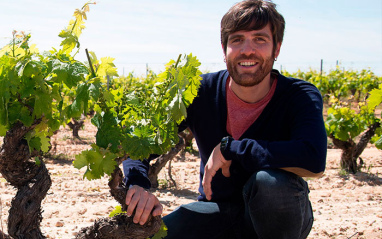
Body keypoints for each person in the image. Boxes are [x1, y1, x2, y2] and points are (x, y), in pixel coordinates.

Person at [122, 0, 327, 238]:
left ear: (277, 49)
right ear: (224, 48)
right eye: (237, 39)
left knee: (270, 184)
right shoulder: (198, 91)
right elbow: (142, 143)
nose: (247, 50)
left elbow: (313, 158)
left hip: (279, 217)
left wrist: (232, 149)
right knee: (157, 236)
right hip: (217, 211)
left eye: (260, 39)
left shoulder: (298, 95)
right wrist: (138, 183)